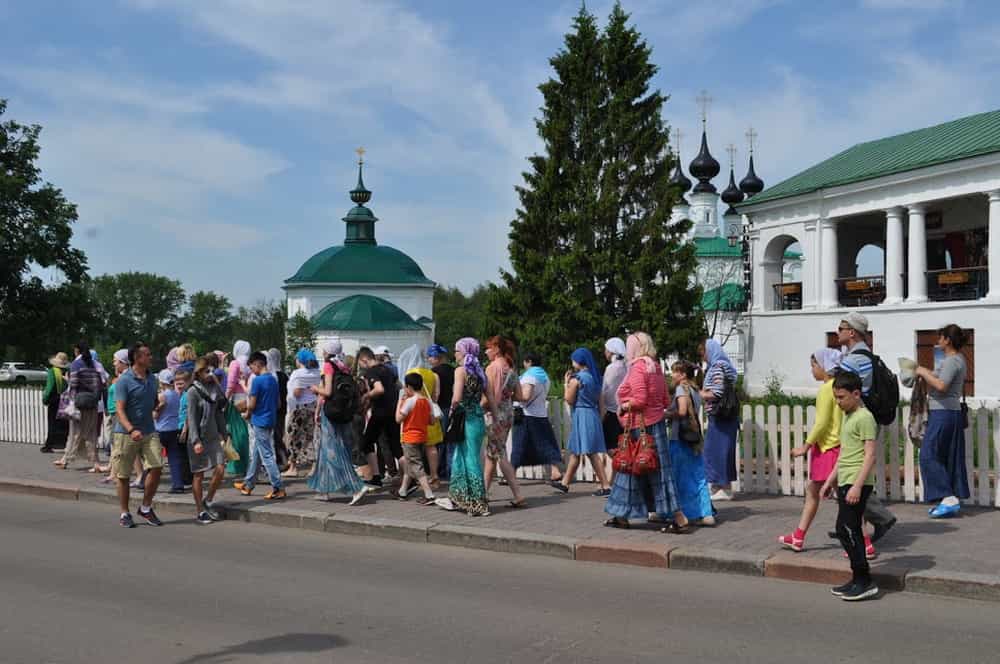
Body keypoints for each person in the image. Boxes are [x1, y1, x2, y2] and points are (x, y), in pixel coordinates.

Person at [604, 332, 690, 534]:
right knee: (656, 471)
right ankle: (622, 515)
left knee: (629, 467)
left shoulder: (637, 368)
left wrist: (624, 406)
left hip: (639, 426)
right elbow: (665, 399)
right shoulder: (656, 367)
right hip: (656, 424)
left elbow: (640, 400)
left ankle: (677, 518)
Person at [835, 312, 897, 544]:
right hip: (864, 420)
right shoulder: (865, 356)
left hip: (860, 422)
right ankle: (852, 524)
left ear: (851, 332)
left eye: (841, 328)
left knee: (853, 474)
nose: (837, 332)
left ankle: (879, 519)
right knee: (854, 472)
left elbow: (834, 381)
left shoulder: (854, 360)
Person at [819, 372, 880, 601]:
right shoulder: (848, 416)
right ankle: (857, 578)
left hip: (857, 482)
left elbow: (870, 455)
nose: (838, 402)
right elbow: (844, 453)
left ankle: (864, 581)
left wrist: (857, 486)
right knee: (846, 529)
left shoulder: (865, 417)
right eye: (836, 397)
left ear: (856, 394)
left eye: (841, 397)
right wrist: (829, 481)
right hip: (845, 479)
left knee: (847, 528)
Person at [776, 348, 844, 551]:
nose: (812, 370)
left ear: (824, 366)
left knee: (832, 496)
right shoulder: (840, 386)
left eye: (814, 365)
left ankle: (864, 543)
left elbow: (821, 423)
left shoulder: (826, 389)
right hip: (838, 446)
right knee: (826, 493)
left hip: (827, 447)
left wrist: (805, 446)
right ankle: (798, 536)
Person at [915, 324, 970, 518]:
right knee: (947, 456)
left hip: (943, 413)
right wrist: (925, 372)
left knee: (928, 454)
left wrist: (922, 372)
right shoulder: (957, 359)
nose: (938, 341)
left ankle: (947, 497)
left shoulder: (952, 361)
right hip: (950, 412)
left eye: (941, 337)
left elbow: (941, 385)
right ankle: (949, 498)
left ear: (948, 340)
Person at [436, 337, 494, 516]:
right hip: (477, 418)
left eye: (456, 350)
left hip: (465, 419)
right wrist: (496, 416)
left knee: (469, 459)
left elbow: (456, 398)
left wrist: (452, 411)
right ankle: (458, 497)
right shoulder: (480, 372)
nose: (455, 354)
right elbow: (490, 397)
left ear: (463, 352)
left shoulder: (460, 371)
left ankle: (478, 504)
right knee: (460, 458)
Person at [112, 342, 164, 528]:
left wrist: (158, 405)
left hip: (149, 430)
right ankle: (124, 512)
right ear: (136, 358)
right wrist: (131, 429)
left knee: (157, 466)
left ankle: (145, 507)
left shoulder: (152, 379)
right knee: (123, 475)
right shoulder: (124, 380)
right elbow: (119, 409)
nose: (151, 357)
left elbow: (154, 401)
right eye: (147, 354)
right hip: (126, 433)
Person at [307, 343, 367, 503]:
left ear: (328, 352)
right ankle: (323, 489)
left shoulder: (328, 366)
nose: (323, 352)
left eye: (324, 350)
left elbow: (327, 391)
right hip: (342, 413)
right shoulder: (343, 366)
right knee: (328, 450)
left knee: (333, 450)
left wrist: (315, 389)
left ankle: (356, 487)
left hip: (330, 413)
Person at [552, 347, 611, 496]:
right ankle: (565, 483)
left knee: (590, 452)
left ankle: (605, 486)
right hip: (592, 414)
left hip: (581, 414)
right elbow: (602, 404)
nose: (572, 362)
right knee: (576, 451)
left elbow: (569, 399)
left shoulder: (577, 379)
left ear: (579, 361)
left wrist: (566, 384)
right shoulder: (595, 378)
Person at [666, 361, 715, 525]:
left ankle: (680, 512)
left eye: (675, 372)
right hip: (693, 438)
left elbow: (681, 411)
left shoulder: (681, 389)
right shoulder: (695, 390)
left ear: (682, 374)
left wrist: (666, 414)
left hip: (679, 437)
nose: (672, 375)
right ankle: (706, 513)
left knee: (678, 476)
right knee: (698, 475)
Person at [233, 352, 285, 499]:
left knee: (267, 455)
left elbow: (252, 404)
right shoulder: (273, 379)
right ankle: (248, 483)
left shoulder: (257, 381)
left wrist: (247, 414)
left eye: (251, 367)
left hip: (259, 420)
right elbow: (278, 403)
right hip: (270, 419)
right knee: (257, 453)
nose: (252, 371)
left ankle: (278, 487)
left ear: (257, 364)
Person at [483, 336, 527, 507]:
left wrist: (477, 407)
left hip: (495, 415)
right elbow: (520, 396)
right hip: (508, 413)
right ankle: (484, 492)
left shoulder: (492, 368)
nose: (486, 351)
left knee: (499, 454)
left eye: (489, 348)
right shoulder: (511, 370)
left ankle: (518, 493)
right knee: (492, 454)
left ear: (497, 349)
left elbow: (490, 396)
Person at [185, 356, 228, 524]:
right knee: (199, 474)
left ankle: (208, 500)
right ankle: (200, 511)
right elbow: (191, 417)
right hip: (199, 438)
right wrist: (195, 440)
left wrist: (224, 432)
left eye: (212, 370)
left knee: (220, 468)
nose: (210, 373)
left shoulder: (214, 388)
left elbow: (220, 410)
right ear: (198, 373)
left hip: (213, 436)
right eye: (206, 371)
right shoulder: (192, 392)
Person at [510, 352, 563, 481]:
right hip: (541, 414)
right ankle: (555, 471)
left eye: (525, 362)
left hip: (526, 415)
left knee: (518, 445)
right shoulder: (544, 376)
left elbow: (526, 396)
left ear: (529, 361)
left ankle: (510, 474)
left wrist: (511, 396)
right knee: (546, 443)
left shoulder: (529, 376)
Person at [398, 345, 445, 488]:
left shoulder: (410, 372)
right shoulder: (433, 374)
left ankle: (416, 477)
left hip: (414, 415)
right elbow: (436, 396)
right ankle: (434, 476)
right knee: (431, 447)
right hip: (428, 412)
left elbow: (406, 393)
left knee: (413, 449)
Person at [56, 342, 106, 472]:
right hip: (93, 403)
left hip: (79, 402)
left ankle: (66, 460)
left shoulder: (76, 365)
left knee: (75, 433)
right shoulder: (94, 365)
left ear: (77, 351)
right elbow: (101, 384)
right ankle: (95, 463)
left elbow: (73, 384)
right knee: (91, 433)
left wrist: (71, 401)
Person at [358, 345, 403, 488]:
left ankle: (376, 477)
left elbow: (379, 389)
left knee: (366, 443)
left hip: (380, 412)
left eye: (360, 364)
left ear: (364, 359)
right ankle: (410, 477)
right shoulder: (388, 370)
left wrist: (366, 395)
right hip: (392, 411)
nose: (361, 367)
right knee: (396, 447)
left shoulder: (372, 371)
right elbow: (399, 386)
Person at [393, 372, 438, 505]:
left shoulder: (409, 401)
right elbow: (432, 421)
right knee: (410, 464)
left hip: (409, 438)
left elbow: (398, 419)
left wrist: (399, 403)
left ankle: (429, 494)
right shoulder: (426, 401)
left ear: (409, 387)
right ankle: (402, 491)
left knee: (416, 466)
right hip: (422, 436)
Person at [284, 348, 321, 479]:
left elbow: (296, 393)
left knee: (293, 437)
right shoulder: (317, 372)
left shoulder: (298, 374)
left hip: (299, 408)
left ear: (300, 360)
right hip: (313, 407)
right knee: (311, 437)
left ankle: (293, 467)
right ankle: (313, 467)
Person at [155, 369, 191, 494]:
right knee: (174, 458)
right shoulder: (177, 395)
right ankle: (178, 484)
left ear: (161, 382)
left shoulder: (162, 396)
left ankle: (144, 481)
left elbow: (156, 415)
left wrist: (154, 410)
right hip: (174, 428)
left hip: (161, 429)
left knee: (153, 456)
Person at [99, 349, 130, 485]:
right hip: (115, 412)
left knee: (118, 444)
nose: (113, 363)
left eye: (115, 360)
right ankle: (113, 472)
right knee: (115, 443)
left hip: (119, 413)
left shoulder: (126, 377)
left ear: (123, 362)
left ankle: (116, 474)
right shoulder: (122, 376)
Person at [225, 340, 252, 477]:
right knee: (246, 433)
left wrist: (224, 399)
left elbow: (230, 384)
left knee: (235, 433)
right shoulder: (250, 364)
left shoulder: (235, 364)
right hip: (248, 399)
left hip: (236, 400)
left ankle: (237, 464)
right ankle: (248, 463)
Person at [427, 344, 455, 479]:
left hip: (439, 409)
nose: (428, 360)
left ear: (436, 357)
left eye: (430, 357)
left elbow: (434, 393)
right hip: (452, 407)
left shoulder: (433, 372)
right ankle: (450, 469)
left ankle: (440, 469)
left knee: (439, 440)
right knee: (450, 440)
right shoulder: (454, 370)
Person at [600, 337, 628, 459]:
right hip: (626, 411)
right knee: (624, 446)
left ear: (612, 351)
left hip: (612, 412)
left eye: (606, 349)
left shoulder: (611, 368)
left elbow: (605, 391)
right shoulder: (627, 366)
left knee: (612, 447)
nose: (604, 352)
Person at [40, 352, 70, 453]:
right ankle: (62, 443)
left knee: (52, 422)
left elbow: (49, 387)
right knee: (63, 423)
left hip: (54, 399)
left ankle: (49, 445)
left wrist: (45, 399)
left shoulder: (52, 371)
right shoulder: (66, 372)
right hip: (64, 399)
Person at [267, 348, 290, 467]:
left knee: (276, 435)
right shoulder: (284, 375)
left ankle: (283, 459)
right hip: (283, 408)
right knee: (279, 433)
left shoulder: (272, 375)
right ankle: (282, 457)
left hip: (274, 408)